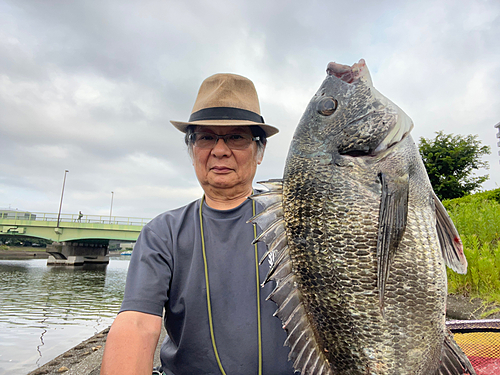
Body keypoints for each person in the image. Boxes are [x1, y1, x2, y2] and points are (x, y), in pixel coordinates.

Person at [101, 73, 294, 375]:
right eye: (205, 137)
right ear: (192, 150)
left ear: (260, 151)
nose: (219, 150)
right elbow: (137, 324)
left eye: (236, 137)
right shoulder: (162, 233)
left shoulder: (293, 222)